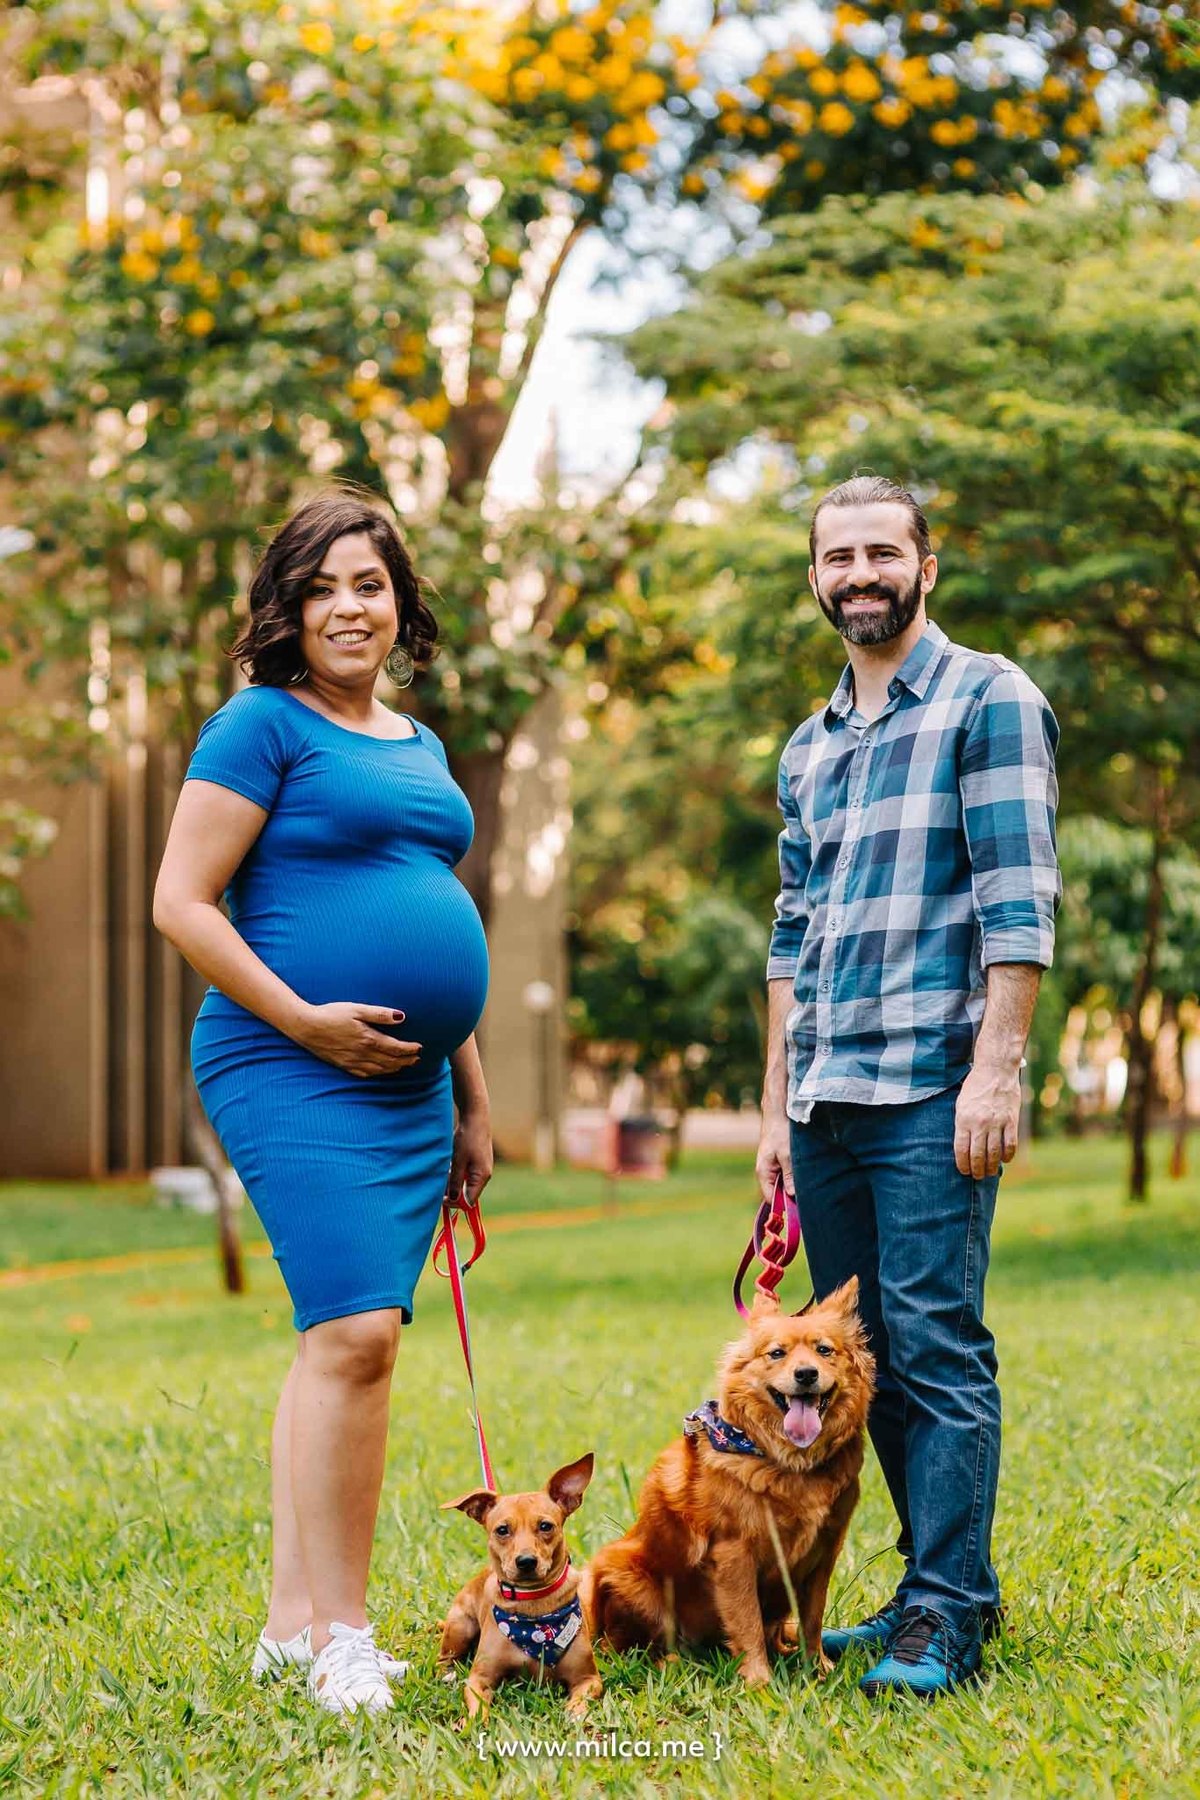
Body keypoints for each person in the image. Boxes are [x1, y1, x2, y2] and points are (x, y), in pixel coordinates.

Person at [154, 488, 493, 1715]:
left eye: (369, 583)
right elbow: (182, 902)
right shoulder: (258, 725)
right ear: (286, 612)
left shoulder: (421, 743)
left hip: (410, 1089)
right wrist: (303, 1019)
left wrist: (472, 1093)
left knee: (339, 1344)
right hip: (284, 1062)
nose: (349, 607)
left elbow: (425, 906)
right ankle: (344, 1635)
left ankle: (293, 1627)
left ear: (401, 600)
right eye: (322, 589)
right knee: (358, 1337)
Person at [755, 474, 1060, 1698]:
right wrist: (776, 1110)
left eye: (885, 551)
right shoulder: (808, 745)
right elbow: (792, 935)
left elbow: (1019, 899)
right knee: (863, 1356)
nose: (861, 574)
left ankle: (951, 1610)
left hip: (934, 1089)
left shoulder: (992, 699)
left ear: (926, 566)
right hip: (826, 1099)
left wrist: (1000, 1067)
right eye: (840, 557)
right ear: (817, 578)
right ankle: (926, 1583)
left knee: (936, 1345)